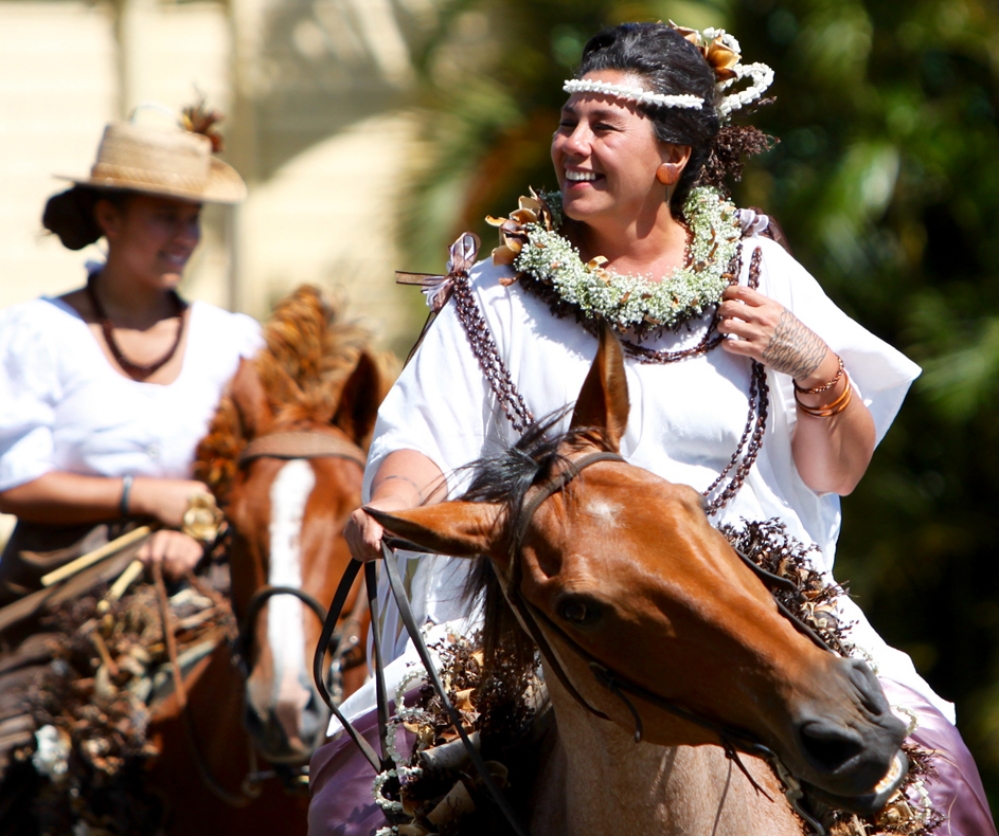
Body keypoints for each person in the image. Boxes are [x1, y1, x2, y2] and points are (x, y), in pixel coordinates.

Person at [314, 22, 995, 835]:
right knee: (357, 797)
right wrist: (391, 506)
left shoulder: (759, 274)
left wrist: (816, 366)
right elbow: (426, 436)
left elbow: (834, 473)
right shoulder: (492, 297)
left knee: (941, 781)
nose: (572, 144)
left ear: (671, 157)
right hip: (555, 608)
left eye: (603, 127)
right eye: (568, 123)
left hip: (753, 597)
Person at [0, 107, 261, 599]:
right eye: (165, 217)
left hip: (208, 579)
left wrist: (196, 529)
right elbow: (11, 481)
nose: (185, 237)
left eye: (193, 218)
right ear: (109, 218)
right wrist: (141, 496)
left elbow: (266, 470)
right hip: (60, 590)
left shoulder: (232, 341)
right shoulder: (38, 333)